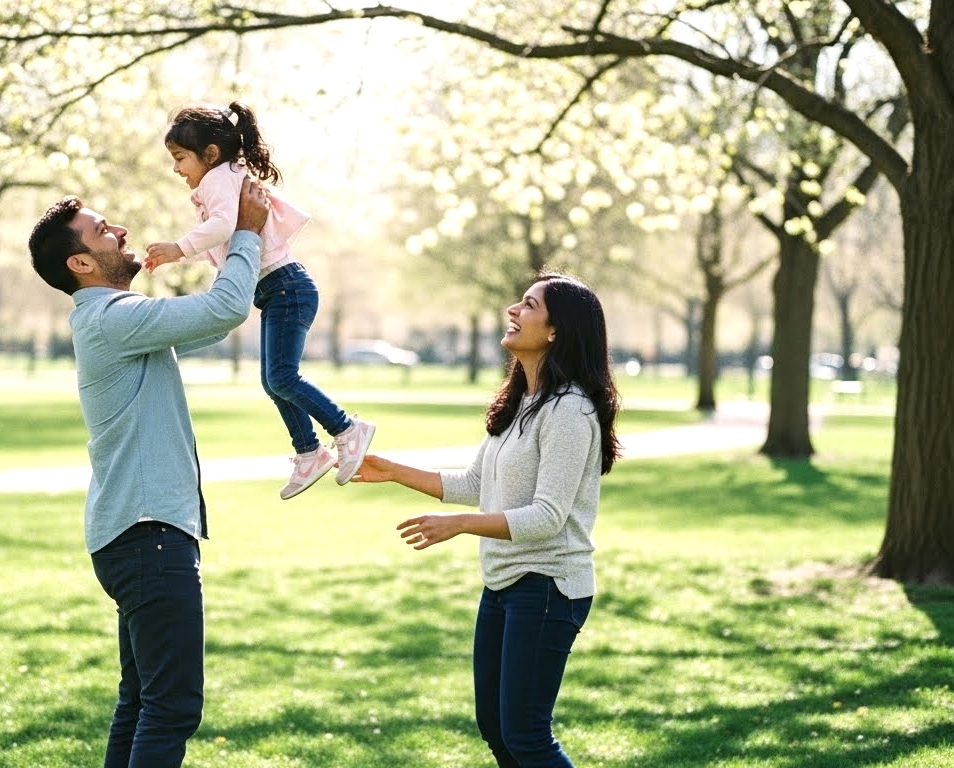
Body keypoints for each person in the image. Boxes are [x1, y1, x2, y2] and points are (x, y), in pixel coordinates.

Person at [26, 179, 270, 768]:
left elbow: (208, 324)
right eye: (104, 229)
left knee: (142, 702)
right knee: (171, 707)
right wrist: (246, 234)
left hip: (134, 537)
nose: (122, 230)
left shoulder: (111, 318)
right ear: (81, 261)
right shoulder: (112, 317)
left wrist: (215, 238)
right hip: (148, 537)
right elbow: (227, 309)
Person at [353, 272, 622, 768]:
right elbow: (476, 483)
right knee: (497, 728)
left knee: (525, 734)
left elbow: (546, 518)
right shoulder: (523, 402)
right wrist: (391, 471)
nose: (512, 312)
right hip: (503, 583)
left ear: (556, 330)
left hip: (548, 587)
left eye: (528, 305)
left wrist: (458, 525)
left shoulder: (570, 412)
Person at [144, 100, 375, 500]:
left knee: (281, 377)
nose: (177, 169)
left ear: (209, 154)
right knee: (273, 380)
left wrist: (177, 249)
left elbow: (221, 226)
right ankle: (309, 451)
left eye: (181, 158)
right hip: (279, 289)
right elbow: (223, 236)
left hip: (286, 286)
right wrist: (185, 252)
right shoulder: (227, 176)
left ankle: (346, 429)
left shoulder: (217, 179)